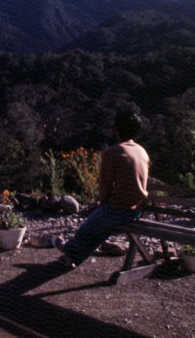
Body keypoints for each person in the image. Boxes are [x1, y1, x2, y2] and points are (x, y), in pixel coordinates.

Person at [56, 110, 149, 269]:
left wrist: (102, 205)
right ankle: (71, 257)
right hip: (138, 210)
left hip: (120, 210)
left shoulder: (112, 152)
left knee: (89, 227)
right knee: (101, 228)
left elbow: (105, 186)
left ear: (116, 129)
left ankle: (69, 251)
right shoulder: (142, 151)